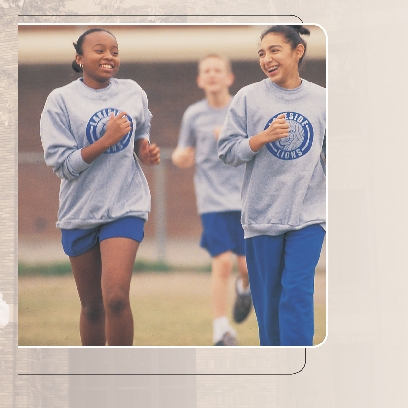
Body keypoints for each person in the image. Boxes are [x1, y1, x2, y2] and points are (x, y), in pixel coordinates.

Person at [40, 28, 161, 346]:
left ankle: (119, 376)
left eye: (115, 51)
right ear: (79, 59)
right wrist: (105, 140)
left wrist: (144, 148)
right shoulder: (60, 101)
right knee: (92, 308)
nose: (109, 56)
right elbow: (64, 166)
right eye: (99, 50)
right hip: (80, 210)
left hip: (125, 204)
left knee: (117, 298)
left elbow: (141, 128)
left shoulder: (133, 91)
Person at [218, 25, 326, 346]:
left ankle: (301, 371)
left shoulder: (322, 99)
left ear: (298, 51)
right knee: (269, 308)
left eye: (275, 50)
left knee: (297, 292)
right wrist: (261, 138)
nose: (266, 58)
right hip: (262, 216)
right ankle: (277, 372)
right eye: (261, 53)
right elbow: (227, 151)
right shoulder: (249, 97)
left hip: (308, 214)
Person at [171, 54, 252, 347]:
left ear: (229, 78)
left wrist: (231, 141)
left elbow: (255, 149)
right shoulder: (194, 115)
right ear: (200, 80)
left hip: (244, 199)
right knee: (222, 264)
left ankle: (245, 289)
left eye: (218, 70)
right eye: (207, 71)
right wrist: (180, 157)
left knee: (246, 267)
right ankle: (221, 330)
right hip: (212, 200)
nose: (213, 75)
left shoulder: (242, 110)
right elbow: (183, 152)